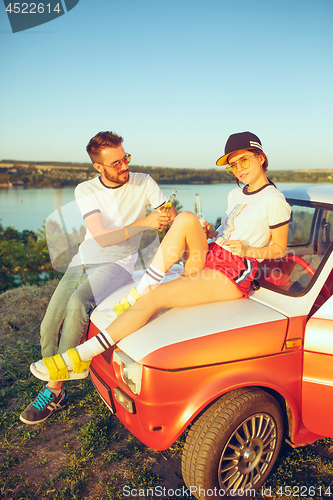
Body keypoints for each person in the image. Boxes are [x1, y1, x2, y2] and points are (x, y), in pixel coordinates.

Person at [30, 131, 291, 382]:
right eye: (232, 165)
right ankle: (140, 291)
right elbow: (227, 230)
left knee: (148, 297)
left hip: (232, 271)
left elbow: (279, 248)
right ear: (99, 167)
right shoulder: (235, 194)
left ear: (261, 157)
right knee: (188, 218)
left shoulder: (274, 199)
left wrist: (248, 251)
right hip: (211, 252)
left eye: (244, 160)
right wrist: (211, 231)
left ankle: (79, 356)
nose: (239, 169)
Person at [20, 131, 176, 424]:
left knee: (79, 304)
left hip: (119, 262)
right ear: (98, 167)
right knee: (50, 321)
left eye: (125, 158)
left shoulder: (144, 182)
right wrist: (145, 222)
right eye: (115, 163)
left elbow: (170, 215)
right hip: (85, 258)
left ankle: (54, 390)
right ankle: (58, 375)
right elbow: (103, 238)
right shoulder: (86, 189)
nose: (124, 167)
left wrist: (175, 220)